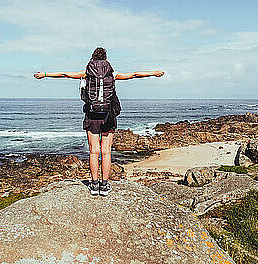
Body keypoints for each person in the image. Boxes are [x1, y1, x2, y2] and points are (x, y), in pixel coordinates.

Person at [34, 47, 164, 196]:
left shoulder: (87, 74)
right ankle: (105, 185)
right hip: (108, 116)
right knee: (106, 152)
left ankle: (94, 185)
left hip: (92, 116)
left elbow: (65, 74)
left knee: (94, 151)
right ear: (106, 59)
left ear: (93, 59)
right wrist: (154, 73)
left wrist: (44, 74)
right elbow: (134, 75)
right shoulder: (112, 74)